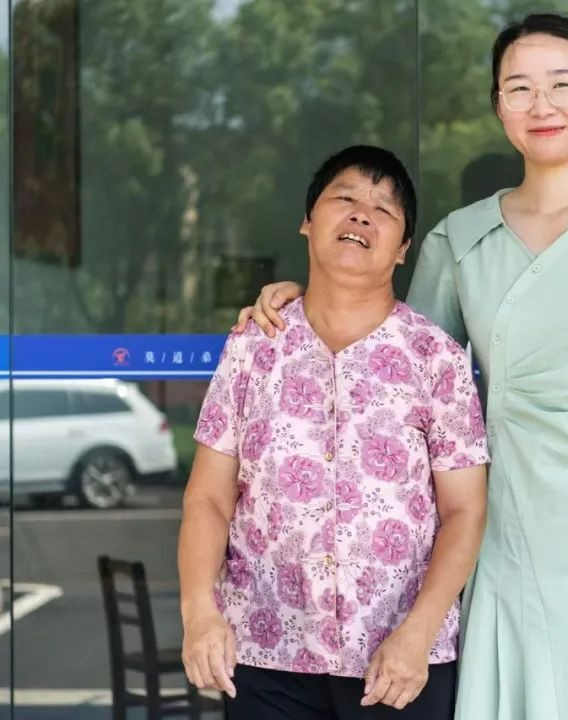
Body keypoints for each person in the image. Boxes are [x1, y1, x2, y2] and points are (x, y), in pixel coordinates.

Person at [236, 13, 568, 720]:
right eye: (519, 88)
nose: (541, 104)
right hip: (506, 523)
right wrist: (304, 294)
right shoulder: (459, 238)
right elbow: (393, 360)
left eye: (563, 84)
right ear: (499, 106)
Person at [178, 145, 490, 720]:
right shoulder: (252, 348)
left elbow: (465, 511)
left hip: (397, 661)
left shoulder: (436, 359)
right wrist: (200, 612)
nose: (360, 214)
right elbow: (208, 498)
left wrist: (418, 633)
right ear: (307, 221)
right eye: (343, 198)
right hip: (266, 650)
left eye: (383, 209)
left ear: (402, 249)